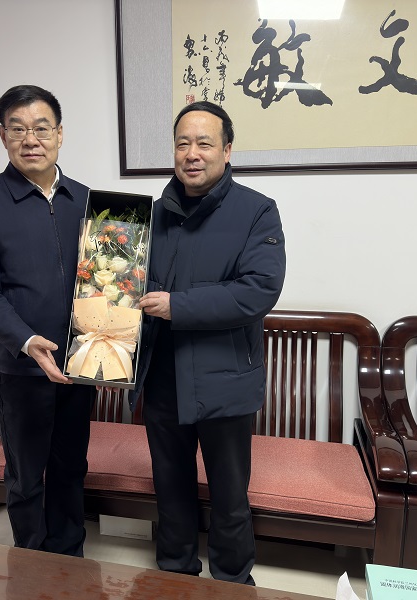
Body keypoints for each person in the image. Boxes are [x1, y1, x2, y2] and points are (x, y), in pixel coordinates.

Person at [135, 101, 285, 584]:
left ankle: (233, 583)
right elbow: (128, 284)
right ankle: (175, 576)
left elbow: (257, 291)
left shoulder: (257, 211)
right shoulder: (151, 215)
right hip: (162, 378)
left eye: (204, 143)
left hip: (225, 381)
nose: (192, 154)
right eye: (183, 143)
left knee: (229, 495)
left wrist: (177, 305)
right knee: (170, 489)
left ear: (227, 150)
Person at [0, 85, 94, 556]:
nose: (31, 139)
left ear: (60, 134)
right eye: (18, 130)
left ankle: (70, 557)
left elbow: (110, 279)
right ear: (3, 136)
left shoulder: (87, 201)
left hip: (79, 364)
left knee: (71, 467)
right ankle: (33, 562)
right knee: (25, 474)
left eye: (41, 128)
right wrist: (26, 339)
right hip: (20, 367)